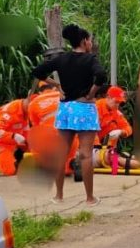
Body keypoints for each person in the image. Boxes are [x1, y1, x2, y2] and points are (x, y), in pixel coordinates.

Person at [30, 24, 108, 205]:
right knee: (86, 155)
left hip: (65, 109)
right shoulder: (90, 59)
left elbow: (37, 71)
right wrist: (92, 92)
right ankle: (89, 198)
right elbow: (101, 75)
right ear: (84, 41)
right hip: (84, 108)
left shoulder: (61, 59)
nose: (90, 43)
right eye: (89, 40)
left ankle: (59, 196)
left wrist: (56, 85)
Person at [93, 86, 140, 173]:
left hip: (108, 149)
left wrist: (121, 132)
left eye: (119, 103)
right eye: (116, 102)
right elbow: (91, 132)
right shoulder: (95, 109)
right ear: (108, 98)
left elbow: (128, 128)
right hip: (92, 148)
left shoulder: (115, 112)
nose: (117, 105)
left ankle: (121, 161)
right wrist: (99, 148)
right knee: (112, 158)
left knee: (119, 162)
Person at [0, 94, 34, 178]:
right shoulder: (9, 112)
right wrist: (13, 136)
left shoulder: (26, 110)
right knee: (10, 171)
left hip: (18, 139)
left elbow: (25, 129)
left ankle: (18, 157)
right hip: (2, 141)